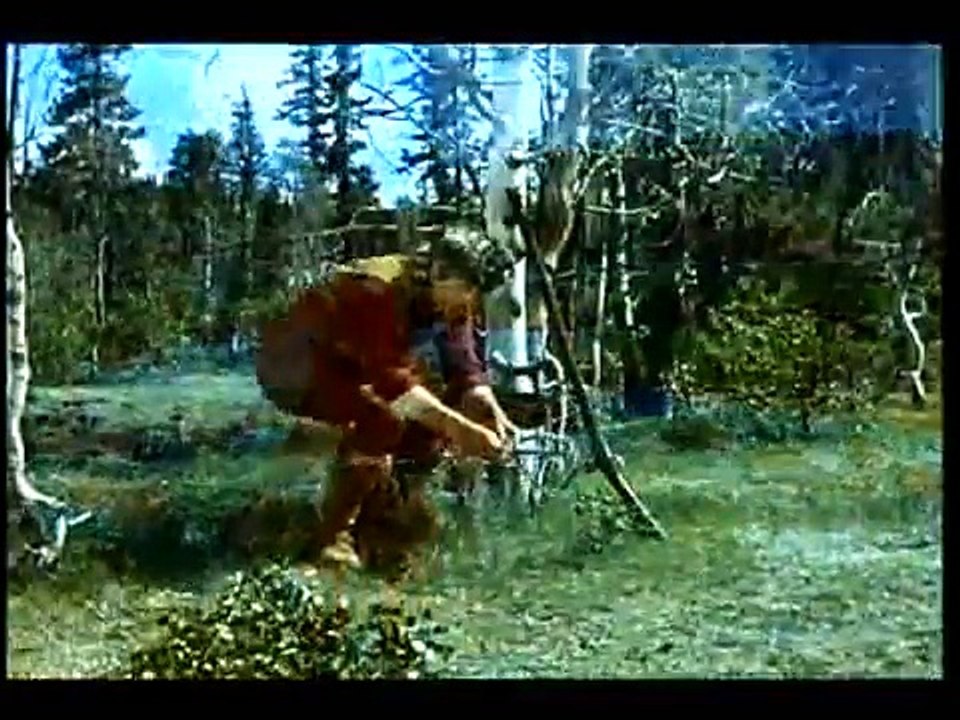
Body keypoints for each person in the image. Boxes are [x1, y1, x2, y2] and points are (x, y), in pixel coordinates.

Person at [255, 225, 518, 571]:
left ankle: (385, 515)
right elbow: (393, 387)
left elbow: (463, 363)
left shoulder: (447, 297)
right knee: (384, 417)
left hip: (350, 362)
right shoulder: (377, 290)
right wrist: (461, 430)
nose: (473, 303)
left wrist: (486, 405)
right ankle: (333, 535)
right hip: (294, 364)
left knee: (431, 425)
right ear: (441, 272)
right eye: (470, 291)